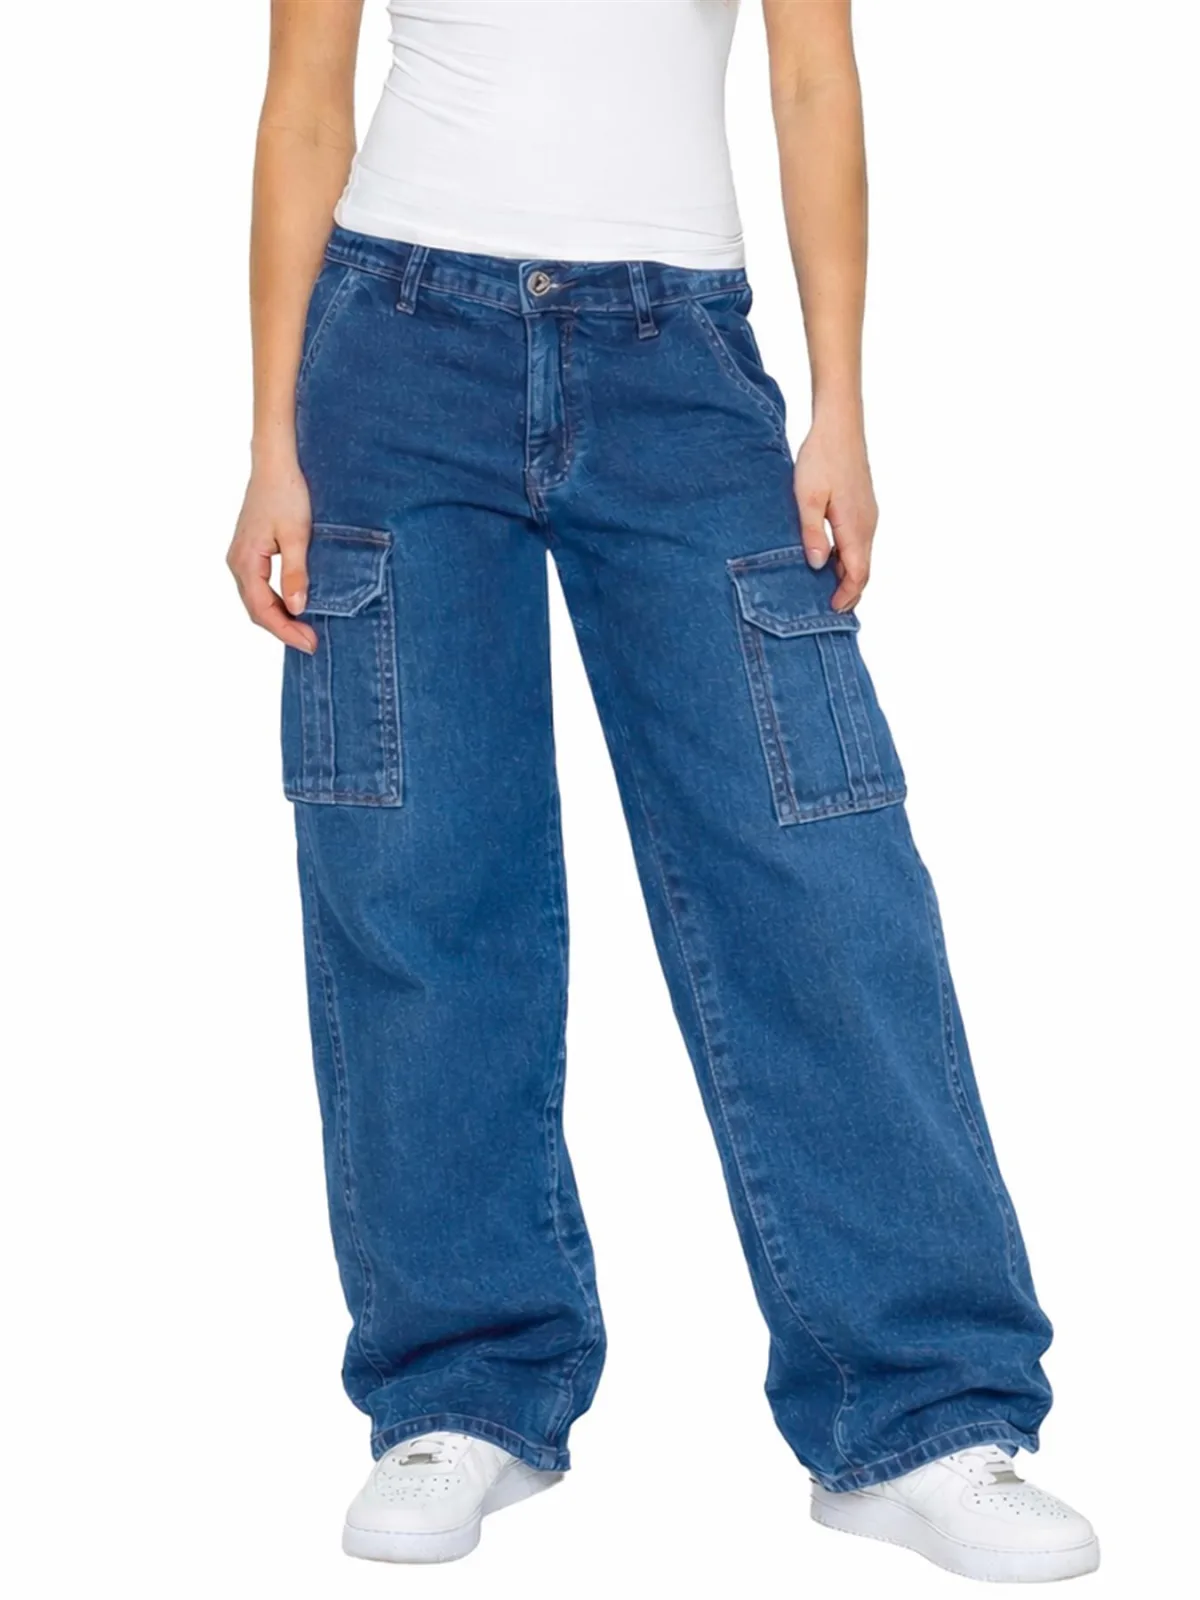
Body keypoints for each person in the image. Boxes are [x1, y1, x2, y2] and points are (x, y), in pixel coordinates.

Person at [226, 1, 1097, 1582]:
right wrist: (270, 443)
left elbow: (814, 77)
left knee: (817, 870)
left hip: (676, 355)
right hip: (395, 350)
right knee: (417, 875)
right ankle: (460, 1387)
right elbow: (303, 105)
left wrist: (840, 406)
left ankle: (920, 1414)